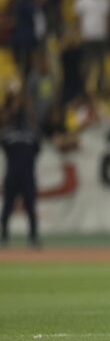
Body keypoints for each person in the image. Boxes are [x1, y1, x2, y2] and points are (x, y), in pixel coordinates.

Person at [0, 92, 41, 247]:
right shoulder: (7, 133)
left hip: (26, 174)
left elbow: (37, 149)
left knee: (30, 207)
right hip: (14, 174)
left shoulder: (31, 132)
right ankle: (4, 236)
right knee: (7, 207)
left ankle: (33, 236)